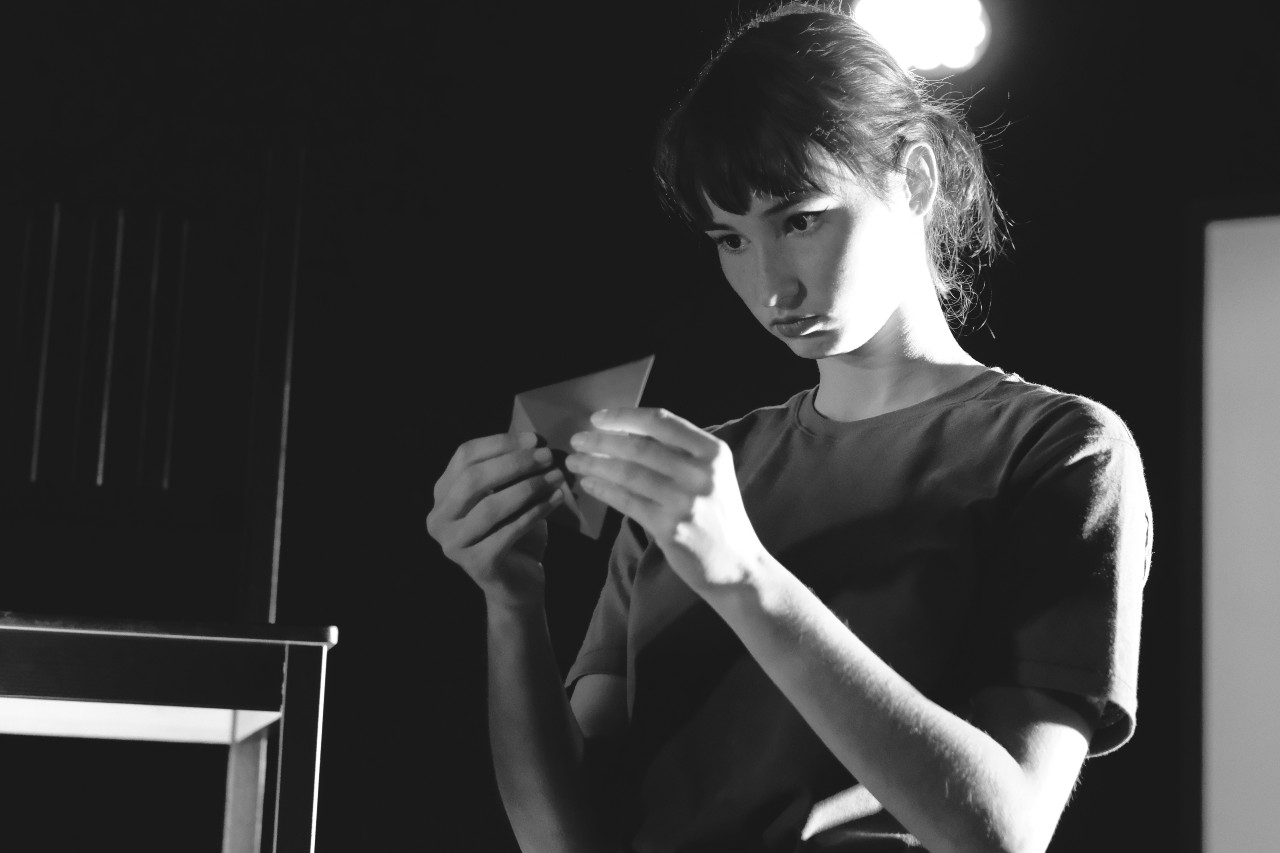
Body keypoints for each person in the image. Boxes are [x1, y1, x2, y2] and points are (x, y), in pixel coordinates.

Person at [426, 3, 1151, 851]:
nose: (771, 287)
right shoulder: (693, 480)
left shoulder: (1056, 450)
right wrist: (511, 600)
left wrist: (745, 576)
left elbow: (1005, 831)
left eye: (800, 219)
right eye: (730, 239)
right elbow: (563, 842)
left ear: (915, 179)